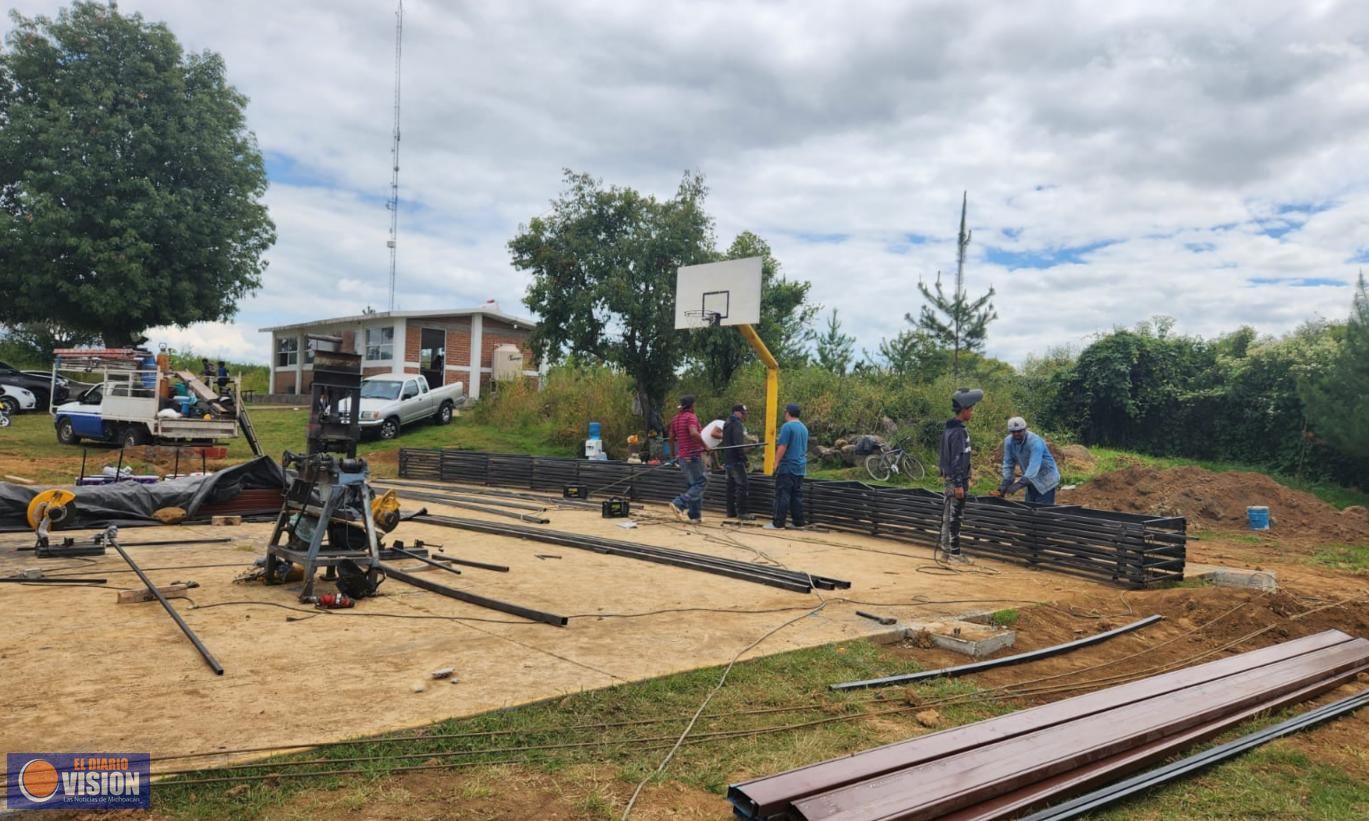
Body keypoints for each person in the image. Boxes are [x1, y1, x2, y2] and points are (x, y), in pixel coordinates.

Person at [937, 387, 983, 564]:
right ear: (964, 409)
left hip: (954, 478)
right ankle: (952, 554)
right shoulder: (958, 432)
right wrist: (958, 484)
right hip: (957, 480)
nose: (971, 412)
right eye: (971, 409)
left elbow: (944, 457)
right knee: (953, 517)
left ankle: (949, 552)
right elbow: (956, 459)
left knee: (951, 516)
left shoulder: (950, 429)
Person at [991, 416, 1061, 505]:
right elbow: (1008, 463)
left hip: (1046, 478)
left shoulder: (1035, 442)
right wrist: (1006, 482)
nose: (1016, 434)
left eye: (1019, 431)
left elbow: (1033, 466)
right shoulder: (1009, 441)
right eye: (1013, 432)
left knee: (1043, 511)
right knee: (1029, 508)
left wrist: (1018, 485)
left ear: (1025, 429)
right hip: (1030, 480)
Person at [767, 403, 809, 529]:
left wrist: (776, 462)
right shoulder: (804, 428)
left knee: (782, 495)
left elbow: (782, 446)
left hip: (787, 466)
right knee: (796, 495)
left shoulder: (787, 427)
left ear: (788, 413)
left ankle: (778, 523)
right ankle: (799, 522)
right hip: (800, 468)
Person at [667, 395, 708, 523]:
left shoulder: (676, 419)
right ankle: (679, 503)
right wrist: (705, 446)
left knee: (693, 484)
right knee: (701, 482)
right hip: (693, 455)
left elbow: (671, 438)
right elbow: (694, 433)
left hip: (683, 457)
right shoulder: (691, 417)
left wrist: (674, 455)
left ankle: (695, 516)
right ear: (692, 405)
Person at [721, 404, 751, 520]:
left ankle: (730, 511)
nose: (744, 415)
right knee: (742, 485)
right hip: (736, 460)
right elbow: (738, 444)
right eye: (743, 413)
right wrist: (744, 459)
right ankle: (742, 513)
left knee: (730, 486)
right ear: (737, 412)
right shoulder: (737, 424)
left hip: (728, 459)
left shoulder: (727, 423)